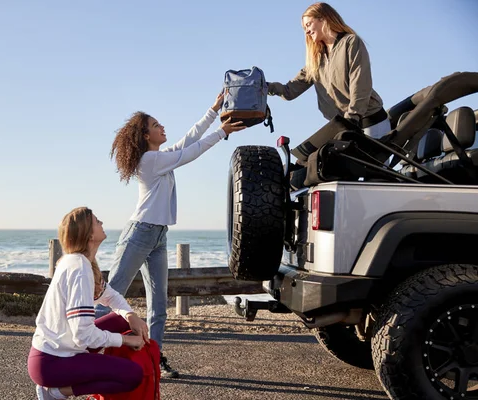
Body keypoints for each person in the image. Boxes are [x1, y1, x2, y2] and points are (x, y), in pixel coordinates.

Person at [97, 91, 246, 378]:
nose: (162, 128)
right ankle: (82, 347)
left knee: (159, 306)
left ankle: (154, 359)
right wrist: (222, 133)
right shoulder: (150, 160)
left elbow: (188, 140)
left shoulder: (160, 157)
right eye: (156, 125)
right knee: (112, 294)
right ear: (145, 135)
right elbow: (191, 152)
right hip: (139, 234)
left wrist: (213, 111)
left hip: (157, 237)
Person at [27, 207, 151, 400]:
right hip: (52, 364)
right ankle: (55, 392)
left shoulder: (81, 262)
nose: (101, 223)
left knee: (122, 321)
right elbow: (83, 335)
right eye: (96, 221)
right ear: (88, 234)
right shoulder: (79, 268)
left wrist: (131, 316)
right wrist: (126, 340)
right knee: (133, 375)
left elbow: (110, 296)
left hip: (58, 353)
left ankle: (98, 367)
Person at [268, 2, 390, 140]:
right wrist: (263, 87)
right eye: (304, 28)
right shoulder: (315, 59)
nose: (306, 31)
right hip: (343, 127)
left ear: (323, 18)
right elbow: (289, 91)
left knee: (371, 162)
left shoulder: (350, 42)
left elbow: (360, 84)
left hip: (370, 122)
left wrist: (352, 117)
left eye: (308, 24)